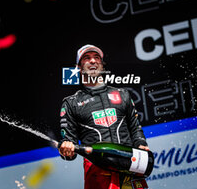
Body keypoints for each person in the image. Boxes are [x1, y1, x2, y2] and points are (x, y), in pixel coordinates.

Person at [58, 44, 150, 189]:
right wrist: (66, 149)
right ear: (79, 67)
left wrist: (141, 145)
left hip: (129, 170)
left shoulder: (122, 94)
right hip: (98, 177)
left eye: (96, 58)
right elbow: (69, 146)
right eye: (87, 58)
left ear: (102, 64)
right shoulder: (71, 103)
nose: (93, 61)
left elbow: (135, 129)